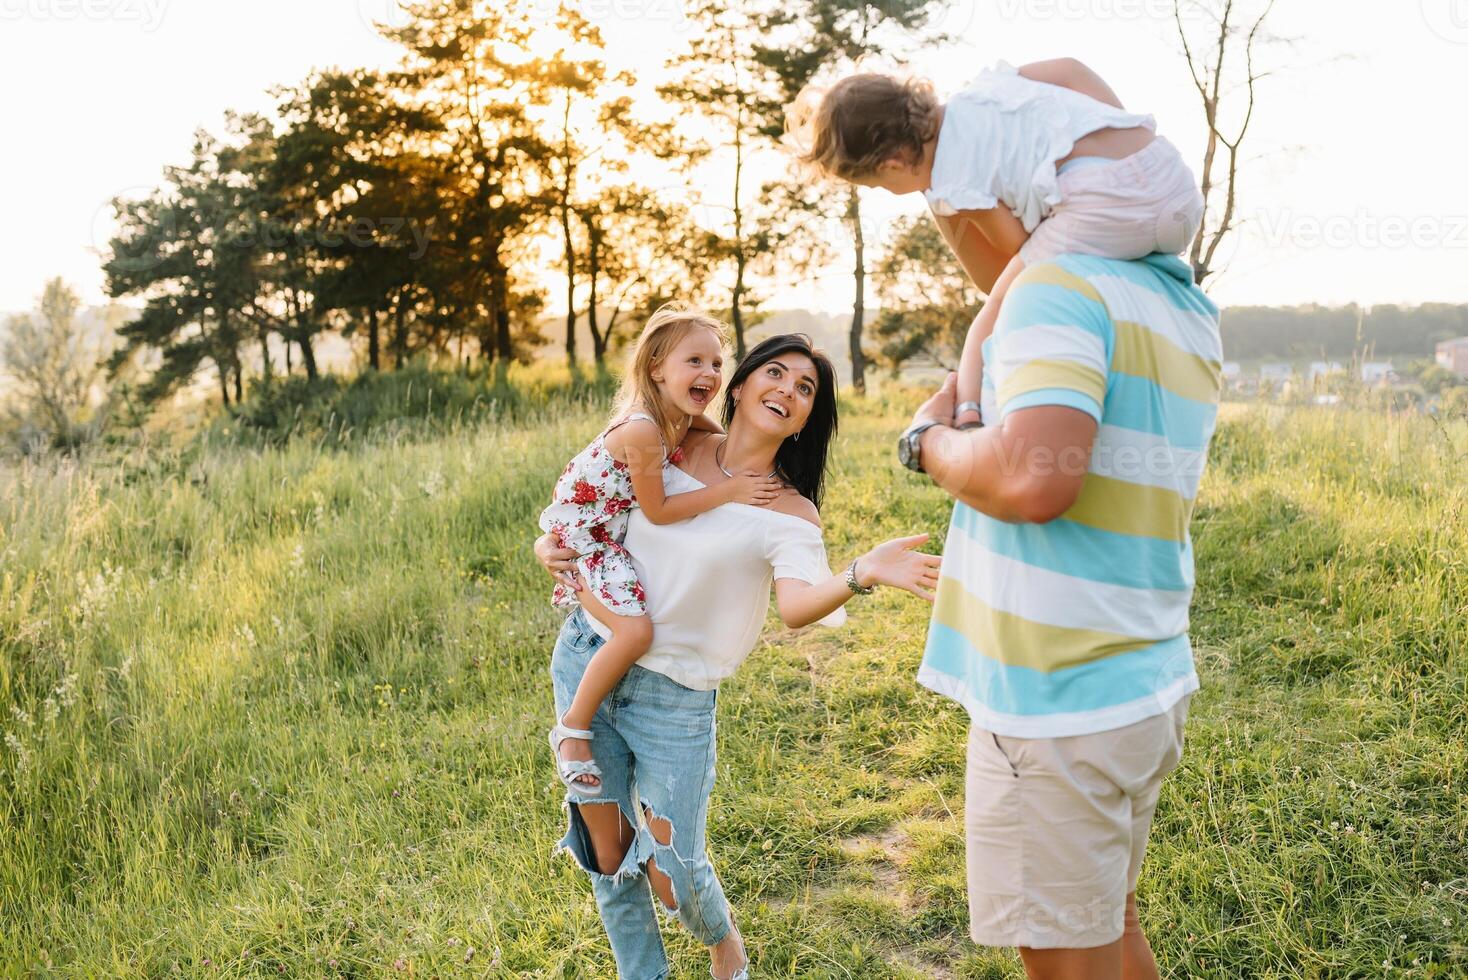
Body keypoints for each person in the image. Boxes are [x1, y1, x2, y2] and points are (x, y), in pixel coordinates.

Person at [534, 333, 941, 979]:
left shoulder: (789, 511)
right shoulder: (670, 441)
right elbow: (596, 502)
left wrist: (863, 571)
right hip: (589, 656)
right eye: (774, 373)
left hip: (677, 698)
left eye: (805, 388)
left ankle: (724, 943)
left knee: (675, 872)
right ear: (743, 384)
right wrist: (551, 547)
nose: (786, 390)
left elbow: (798, 606)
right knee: (608, 859)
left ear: (809, 417)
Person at [894, 249, 1222, 979]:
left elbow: (1031, 482)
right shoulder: (1177, 300)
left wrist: (925, 441)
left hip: (1056, 706)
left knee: (1070, 958)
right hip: (1140, 683)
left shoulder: (1057, 288)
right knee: (1113, 924)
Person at [786, 58, 1203, 431]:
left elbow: (1013, 250)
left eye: (879, 184)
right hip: (1167, 172)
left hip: (1109, 206)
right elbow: (1072, 70)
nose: (888, 190)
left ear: (893, 164)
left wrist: (937, 199)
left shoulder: (952, 181)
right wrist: (1107, 125)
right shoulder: (985, 88)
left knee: (999, 305)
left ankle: (968, 413)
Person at [538, 306, 781, 796]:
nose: (709, 373)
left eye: (716, 364)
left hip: (605, 530)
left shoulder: (683, 420)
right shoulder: (645, 429)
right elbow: (660, 510)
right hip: (590, 536)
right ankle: (573, 729)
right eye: (694, 361)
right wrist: (729, 493)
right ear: (656, 368)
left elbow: (733, 444)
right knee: (635, 632)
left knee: (635, 628)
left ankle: (581, 722)